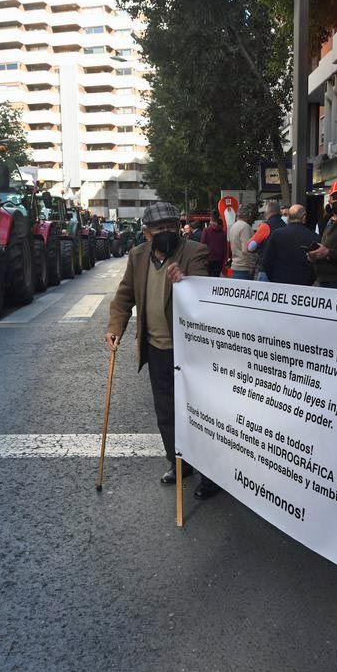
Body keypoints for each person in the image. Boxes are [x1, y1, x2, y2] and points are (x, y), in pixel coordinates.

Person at [105, 202, 220, 499]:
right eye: (160, 229)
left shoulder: (193, 252)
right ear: (146, 233)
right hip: (157, 349)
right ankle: (178, 462)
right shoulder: (138, 255)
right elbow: (124, 296)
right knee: (166, 412)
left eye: (172, 226)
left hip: (190, 351)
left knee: (199, 412)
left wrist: (186, 281)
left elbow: (204, 291)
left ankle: (210, 473)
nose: (168, 232)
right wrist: (115, 327)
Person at [260, 204, 318, 286]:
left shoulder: (277, 234)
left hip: (280, 282)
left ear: (288, 217)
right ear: (304, 217)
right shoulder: (313, 237)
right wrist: (309, 280)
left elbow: (266, 261)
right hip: (303, 284)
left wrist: (274, 278)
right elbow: (317, 265)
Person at [229, 203, 258, 280]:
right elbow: (247, 249)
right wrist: (252, 264)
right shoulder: (245, 227)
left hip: (236, 265)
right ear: (248, 215)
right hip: (244, 267)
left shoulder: (233, 227)